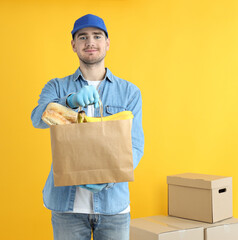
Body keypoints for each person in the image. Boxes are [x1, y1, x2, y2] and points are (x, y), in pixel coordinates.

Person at [31, 14, 144, 240]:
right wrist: (69, 102)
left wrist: (109, 178)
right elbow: (37, 118)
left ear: (107, 43)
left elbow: (135, 146)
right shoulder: (57, 86)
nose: (90, 42)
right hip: (67, 208)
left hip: (114, 208)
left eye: (97, 36)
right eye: (82, 37)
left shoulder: (129, 92)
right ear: (74, 45)